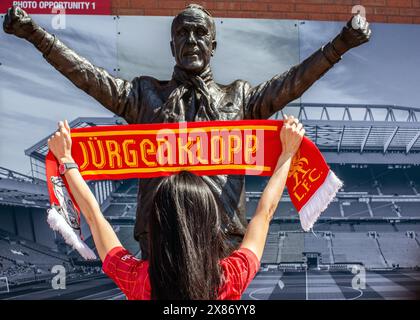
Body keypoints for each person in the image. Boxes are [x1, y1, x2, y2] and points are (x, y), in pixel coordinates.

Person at [3, 4, 370, 259]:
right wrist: (36, 34)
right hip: (159, 241)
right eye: (183, 33)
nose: (191, 40)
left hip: (222, 242)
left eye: (200, 34)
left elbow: (293, 82)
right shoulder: (143, 94)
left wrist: (339, 45)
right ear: (172, 46)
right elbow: (88, 76)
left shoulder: (240, 97)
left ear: (212, 45)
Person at [47, 115, 305, 299]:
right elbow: (265, 213)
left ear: (157, 225)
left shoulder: (137, 279)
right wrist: (287, 154)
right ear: (210, 224)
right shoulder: (231, 276)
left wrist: (67, 160)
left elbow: (94, 217)